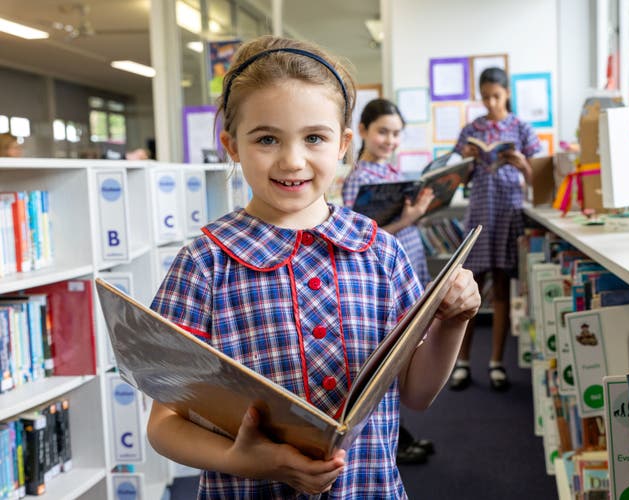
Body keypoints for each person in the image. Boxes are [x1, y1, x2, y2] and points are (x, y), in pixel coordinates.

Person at [147, 35, 480, 499]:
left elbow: (417, 393)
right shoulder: (204, 265)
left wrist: (453, 323)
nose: (292, 160)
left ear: (343, 144)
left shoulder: (381, 254)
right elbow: (164, 424)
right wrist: (240, 459)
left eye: (315, 138)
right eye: (266, 138)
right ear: (232, 145)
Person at [341, 98, 435, 466]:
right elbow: (363, 238)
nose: (390, 140)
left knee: (408, 356)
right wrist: (408, 219)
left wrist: (420, 212)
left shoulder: (391, 172)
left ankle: (397, 435)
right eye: (383, 131)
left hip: (409, 263)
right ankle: (391, 440)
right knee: (388, 360)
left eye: (396, 133)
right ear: (362, 131)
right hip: (380, 278)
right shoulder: (360, 178)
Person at [448, 67, 541, 392]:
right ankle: (461, 362)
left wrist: (524, 165)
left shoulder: (522, 128)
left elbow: (538, 179)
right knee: (468, 289)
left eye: (496, 96)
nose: (490, 102)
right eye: (485, 96)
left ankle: (496, 362)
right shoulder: (471, 129)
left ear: (507, 94)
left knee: (502, 288)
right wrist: (466, 161)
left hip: (508, 211)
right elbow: (456, 180)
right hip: (478, 213)